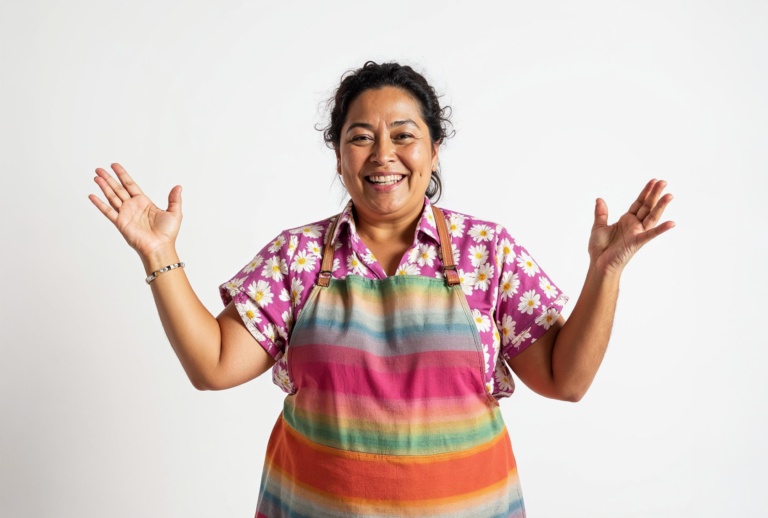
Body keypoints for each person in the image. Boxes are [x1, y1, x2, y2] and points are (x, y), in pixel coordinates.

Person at [88, 61, 675, 517]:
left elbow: (565, 381)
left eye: (403, 134)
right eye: (361, 136)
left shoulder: (485, 251)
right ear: (339, 156)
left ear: (434, 149)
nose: (383, 154)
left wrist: (606, 271)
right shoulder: (298, 256)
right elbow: (213, 365)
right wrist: (160, 253)